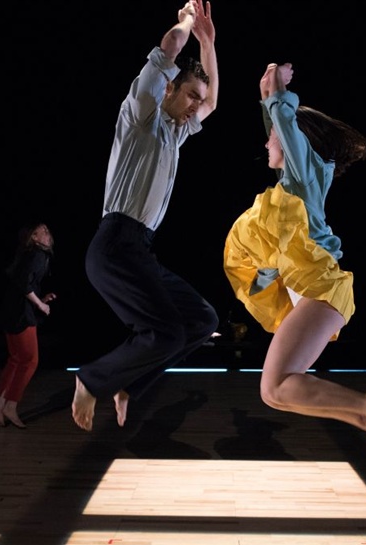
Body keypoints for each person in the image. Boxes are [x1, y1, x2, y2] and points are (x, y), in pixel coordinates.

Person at [223, 62, 366, 445]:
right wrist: (267, 95)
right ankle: (363, 414)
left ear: (291, 140)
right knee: (274, 392)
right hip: (316, 293)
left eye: (273, 137)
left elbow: (285, 127)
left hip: (320, 290)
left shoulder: (303, 176)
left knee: (277, 386)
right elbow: (279, 127)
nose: (266, 142)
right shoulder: (293, 185)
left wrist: (277, 93)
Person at [72, 0, 220, 431]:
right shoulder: (140, 113)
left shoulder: (176, 134)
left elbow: (212, 104)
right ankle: (91, 380)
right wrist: (189, 23)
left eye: (199, 98)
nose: (197, 105)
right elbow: (169, 48)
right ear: (170, 88)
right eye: (191, 94)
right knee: (167, 333)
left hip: (139, 248)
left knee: (202, 320)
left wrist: (209, 43)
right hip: (115, 244)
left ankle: (127, 386)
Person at [0, 221, 56, 428]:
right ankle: (10, 405)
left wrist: (41, 300)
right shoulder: (38, 255)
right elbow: (25, 284)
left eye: (47, 230)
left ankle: (0, 401)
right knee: (30, 361)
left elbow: (23, 284)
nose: (46, 233)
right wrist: (41, 306)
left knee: (16, 360)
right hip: (20, 315)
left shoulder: (30, 254)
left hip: (11, 311)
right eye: (41, 232)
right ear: (34, 239)